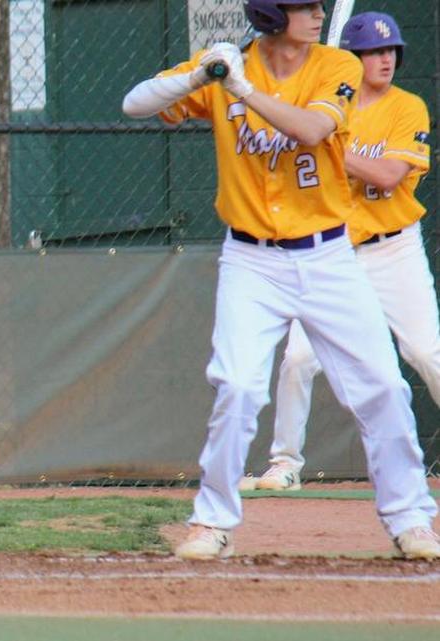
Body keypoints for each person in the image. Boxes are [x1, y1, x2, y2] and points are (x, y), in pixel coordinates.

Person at [121, 0, 440, 560]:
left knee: (384, 388)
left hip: (328, 255)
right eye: (303, 7)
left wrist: (241, 91)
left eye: (318, 7)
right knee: (239, 387)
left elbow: (314, 128)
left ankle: (412, 519)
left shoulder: (336, 67)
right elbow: (134, 104)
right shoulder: (227, 66)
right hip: (251, 261)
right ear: (272, 14)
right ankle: (211, 522)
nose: (317, 15)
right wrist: (200, 75)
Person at [255, 12, 438, 493]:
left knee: (426, 352)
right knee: (297, 359)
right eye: (373, 52)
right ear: (349, 60)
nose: (385, 60)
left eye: (390, 51)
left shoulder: (407, 107)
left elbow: (387, 176)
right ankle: (284, 464)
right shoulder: (324, 105)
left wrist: (328, 145)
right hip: (332, 254)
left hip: (393, 249)